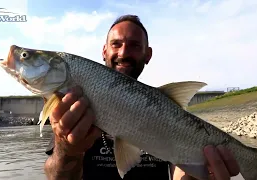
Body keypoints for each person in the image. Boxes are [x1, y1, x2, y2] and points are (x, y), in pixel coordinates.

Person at [43, 14, 240, 180]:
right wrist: (67, 149)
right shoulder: (76, 103)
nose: (123, 52)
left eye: (135, 46)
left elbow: (179, 169)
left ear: (148, 54)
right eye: (116, 44)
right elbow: (54, 175)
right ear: (104, 51)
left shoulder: (165, 107)